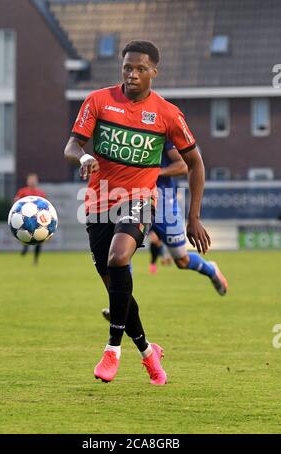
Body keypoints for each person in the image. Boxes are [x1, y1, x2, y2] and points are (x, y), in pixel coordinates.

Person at [64, 40, 211, 385]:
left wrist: (193, 216)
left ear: (154, 72)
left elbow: (195, 163)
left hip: (140, 199)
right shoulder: (98, 101)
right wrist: (84, 157)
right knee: (118, 290)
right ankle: (148, 352)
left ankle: (112, 349)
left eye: (140, 68)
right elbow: (72, 144)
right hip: (99, 203)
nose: (132, 74)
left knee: (119, 258)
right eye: (127, 67)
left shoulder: (167, 114)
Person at [149, 142, 228, 294]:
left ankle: (211, 270)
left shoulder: (163, 131)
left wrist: (156, 172)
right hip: (134, 200)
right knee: (123, 252)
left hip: (164, 206)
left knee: (181, 260)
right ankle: (121, 304)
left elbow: (184, 165)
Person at [14, 173, 46, 265]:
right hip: (26, 220)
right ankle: (25, 247)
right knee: (26, 235)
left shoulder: (41, 193)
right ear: (27, 181)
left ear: (37, 181)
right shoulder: (22, 191)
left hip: (37, 221)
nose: (32, 182)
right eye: (30, 180)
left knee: (39, 240)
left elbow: (45, 207)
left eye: (34, 180)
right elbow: (17, 202)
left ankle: (35, 260)